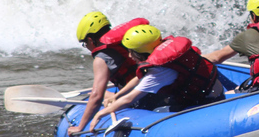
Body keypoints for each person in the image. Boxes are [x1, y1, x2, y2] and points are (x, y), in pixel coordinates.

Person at [90, 24, 224, 129]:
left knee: (151, 109)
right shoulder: (172, 59)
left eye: (131, 52)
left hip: (204, 104)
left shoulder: (159, 72)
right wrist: (116, 96)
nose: (130, 56)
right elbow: (139, 78)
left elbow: (129, 100)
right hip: (215, 94)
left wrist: (100, 113)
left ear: (141, 52)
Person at [67, 12, 148, 136]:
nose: (87, 47)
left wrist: (80, 127)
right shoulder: (129, 41)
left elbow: (96, 96)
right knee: (105, 94)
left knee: (97, 94)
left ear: (90, 40)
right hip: (154, 87)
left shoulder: (101, 58)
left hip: (140, 98)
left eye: (85, 44)